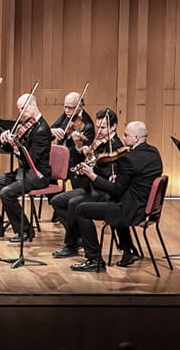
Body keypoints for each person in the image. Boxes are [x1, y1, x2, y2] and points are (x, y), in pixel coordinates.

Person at [71, 121, 163, 272]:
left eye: (126, 135)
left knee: (81, 209)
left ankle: (94, 259)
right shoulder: (154, 152)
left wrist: (92, 176)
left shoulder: (129, 159)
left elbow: (116, 190)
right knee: (110, 201)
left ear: (136, 138)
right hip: (146, 207)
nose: (123, 137)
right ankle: (128, 249)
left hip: (131, 210)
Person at [51, 108, 123, 259]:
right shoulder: (99, 143)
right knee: (57, 201)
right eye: (98, 127)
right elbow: (84, 161)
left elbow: (111, 178)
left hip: (103, 193)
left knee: (73, 203)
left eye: (103, 128)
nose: (99, 131)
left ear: (113, 127)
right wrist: (80, 150)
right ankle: (78, 237)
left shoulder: (116, 147)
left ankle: (72, 245)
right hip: (91, 188)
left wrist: (92, 173)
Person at [0, 93, 51, 241]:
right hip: (22, 173)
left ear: (33, 106)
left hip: (37, 175)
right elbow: (7, 151)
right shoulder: (24, 125)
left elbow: (32, 159)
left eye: (22, 108)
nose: (20, 112)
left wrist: (16, 146)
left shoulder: (42, 130)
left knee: (6, 193)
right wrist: (4, 140)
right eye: (19, 109)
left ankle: (25, 230)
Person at [48, 91, 96, 221]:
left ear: (80, 106)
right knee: (45, 173)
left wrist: (78, 142)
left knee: (76, 181)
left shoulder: (88, 125)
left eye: (71, 107)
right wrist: (52, 131)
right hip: (62, 159)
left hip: (75, 162)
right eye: (65, 107)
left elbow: (86, 153)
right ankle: (57, 206)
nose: (67, 110)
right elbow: (50, 131)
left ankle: (67, 211)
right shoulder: (66, 115)